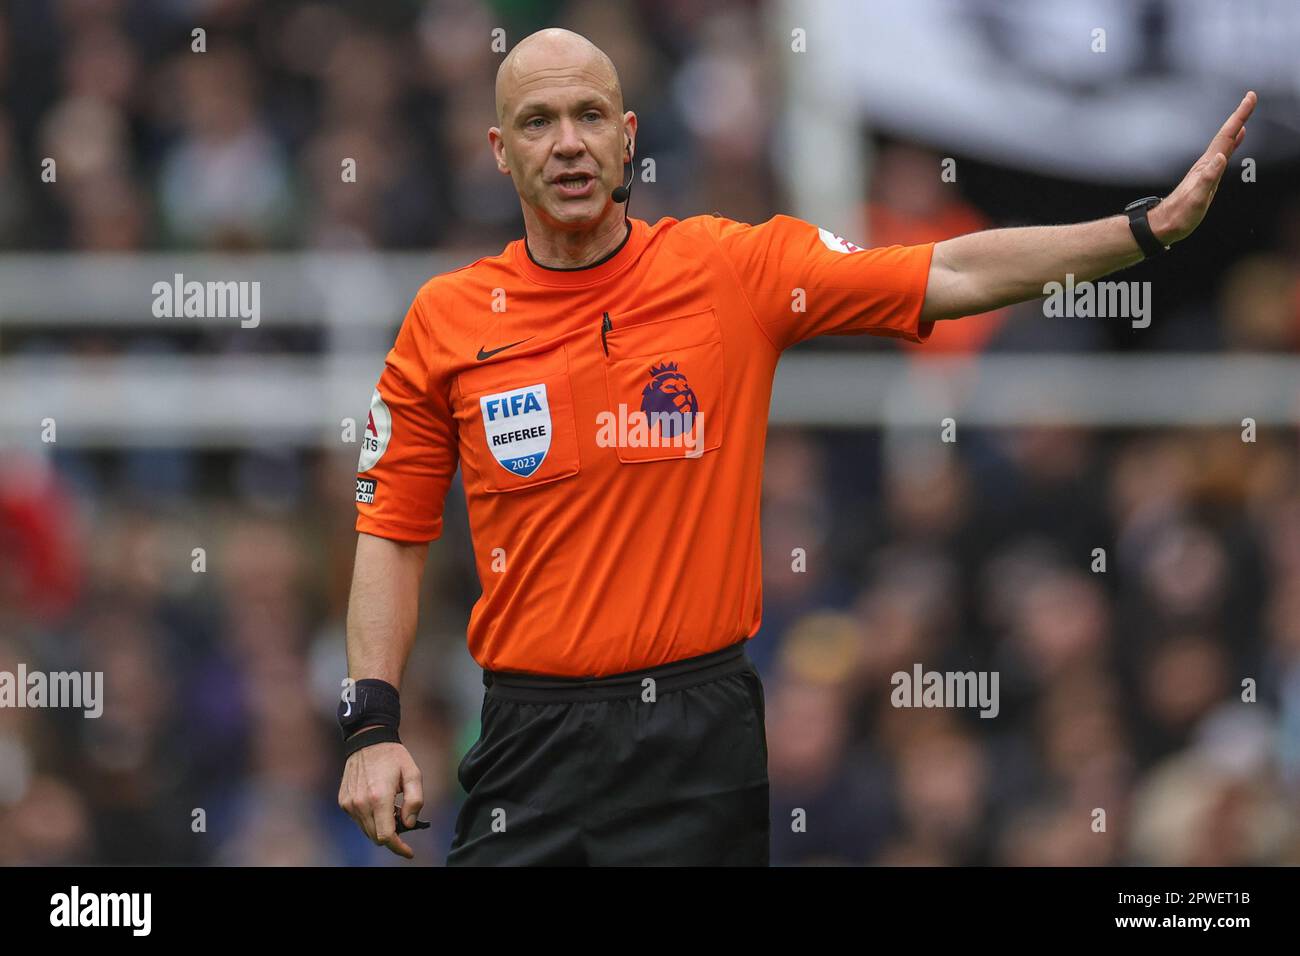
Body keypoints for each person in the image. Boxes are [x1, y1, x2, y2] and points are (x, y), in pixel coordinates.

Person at [336, 26, 1256, 865]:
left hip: (697, 735)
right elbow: (391, 532)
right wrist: (372, 727)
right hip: (528, 736)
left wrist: (1142, 229)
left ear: (627, 134)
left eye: (589, 116)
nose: (568, 142)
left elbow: (953, 269)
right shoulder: (447, 321)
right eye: (538, 121)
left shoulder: (730, 268)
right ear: (501, 151)